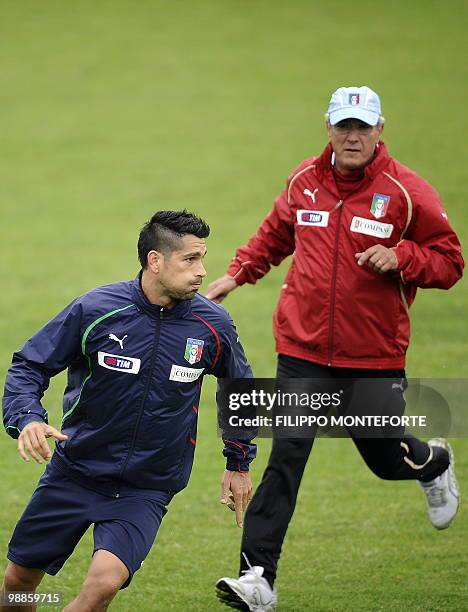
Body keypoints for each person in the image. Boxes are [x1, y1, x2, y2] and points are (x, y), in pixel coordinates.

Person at [208, 86, 464, 612]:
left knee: (386, 456)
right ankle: (257, 579)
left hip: (371, 355)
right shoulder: (305, 181)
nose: (352, 136)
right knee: (287, 456)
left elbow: (450, 261)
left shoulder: (407, 192)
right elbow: (275, 234)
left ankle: (434, 463)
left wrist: (405, 257)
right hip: (301, 347)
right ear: (328, 128)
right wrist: (236, 275)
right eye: (343, 126)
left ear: (379, 131)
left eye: (362, 127)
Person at [1, 210, 256, 612]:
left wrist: (238, 463)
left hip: (146, 486)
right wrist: (28, 417)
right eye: (190, 259)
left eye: (203, 257)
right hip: (75, 471)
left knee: (102, 586)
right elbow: (30, 365)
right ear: (155, 260)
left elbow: (240, 390)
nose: (203, 271)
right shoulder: (96, 309)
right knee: (17, 585)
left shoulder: (213, 325)